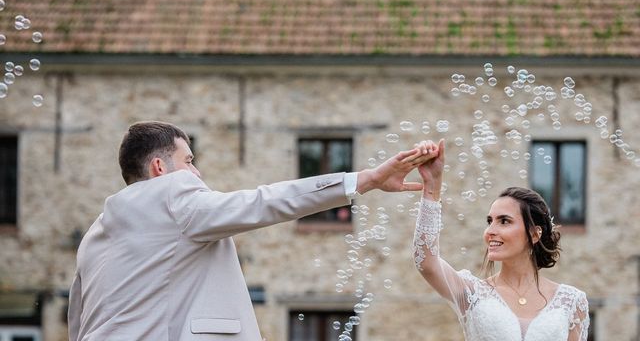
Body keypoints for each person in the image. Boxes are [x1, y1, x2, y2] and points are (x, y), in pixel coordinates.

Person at [68, 121, 437, 341]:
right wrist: (365, 180)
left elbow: (78, 320)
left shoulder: (95, 235)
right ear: (161, 168)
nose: (196, 173)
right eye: (189, 161)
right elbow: (263, 202)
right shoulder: (174, 197)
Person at [412, 140, 589, 341]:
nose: (490, 231)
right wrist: (432, 185)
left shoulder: (571, 302)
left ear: (534, 233)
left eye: (504, 221)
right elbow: (426, 261)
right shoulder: (473, 294)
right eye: (490, 221)